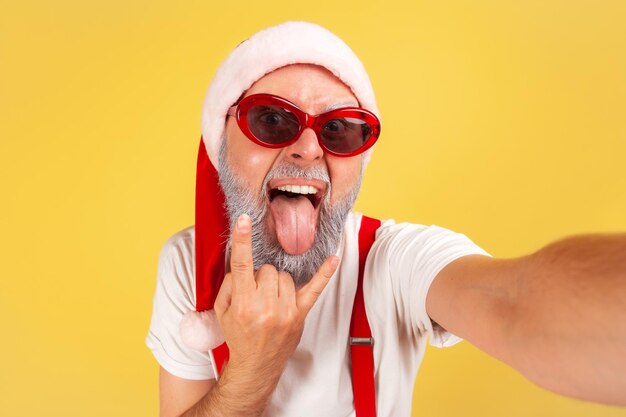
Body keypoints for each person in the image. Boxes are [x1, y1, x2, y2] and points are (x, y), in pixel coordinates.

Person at [146, 21, 626, 417]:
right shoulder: (188, 266)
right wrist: (251, 370)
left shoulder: (392, 262)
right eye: (272, 120)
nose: (309, 147)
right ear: (221, 141)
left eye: (338, 129)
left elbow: (520, 304)